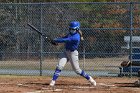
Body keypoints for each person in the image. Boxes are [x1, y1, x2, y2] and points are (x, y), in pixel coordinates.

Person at [49, 21, 96, 87]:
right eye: (70, 29)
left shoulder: (76, 37)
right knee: (59, 66)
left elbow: (65, 40)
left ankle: (90, 79)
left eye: (73, 29)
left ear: (77, 29)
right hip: (66, 52)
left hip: (73, 53)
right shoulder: (70, 34)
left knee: (77, 70)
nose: (71, 30)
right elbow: (64, 38)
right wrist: (55, 40)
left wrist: (55, 40)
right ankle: (53, 81)